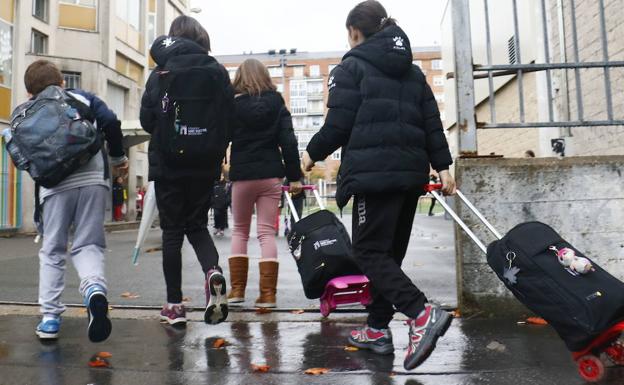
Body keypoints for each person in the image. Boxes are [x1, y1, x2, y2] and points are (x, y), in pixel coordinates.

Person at [302, 0, 456, 370]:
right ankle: (376, 328)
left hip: (374, 176)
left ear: (355, 32)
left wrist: (309, 155)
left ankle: (420, 314)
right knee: (389, 257)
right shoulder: (413, 72)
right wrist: (443, 166)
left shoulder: (350, 68)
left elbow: (339, 124)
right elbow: (431, 121)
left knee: (370, 254)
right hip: (410, 176)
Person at [21, 60, 128, 342]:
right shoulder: (84, 98)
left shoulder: (29, 111)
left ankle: (50, 319)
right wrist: (118, 158)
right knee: (88, 243)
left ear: (30, 92)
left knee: (53, 250)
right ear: (62, 82)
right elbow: (111, 122)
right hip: (93, 178)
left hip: (54, 185)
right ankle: (93, 290)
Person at [140, 16, 233, 326]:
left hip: (169, 164)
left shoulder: (161, 72)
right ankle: (213, 272)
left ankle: (174, 306)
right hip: (204, 163)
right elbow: (229, 117)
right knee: (196, 226)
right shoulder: (217, 71)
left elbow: (146, 119)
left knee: (172, 233)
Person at [227, 58, 303, 308]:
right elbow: (289, 141)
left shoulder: (232, 104)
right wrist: (294, 176)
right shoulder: (276, 101)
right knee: (266, 233)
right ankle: (268, 295)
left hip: (242, 175)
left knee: (239, 230)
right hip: (270, 174)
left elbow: (221, 136)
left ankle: (237, 291)